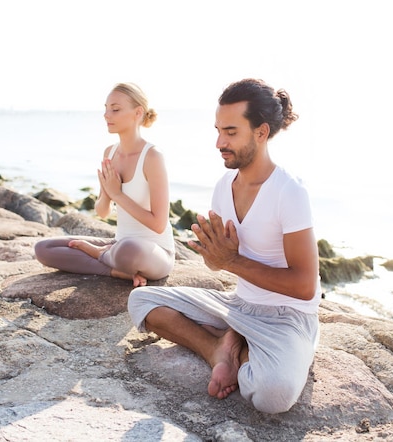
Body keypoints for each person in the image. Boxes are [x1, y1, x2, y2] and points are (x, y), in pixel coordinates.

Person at [127, 78, 322, 414]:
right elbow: (218, 262)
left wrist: (230, 262)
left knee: (273, 396)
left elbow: (305, 287)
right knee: (141, 301)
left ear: (261, 132)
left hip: (287, 317)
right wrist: (216, 258)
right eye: (218, 130)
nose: (219, 142)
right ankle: (218, 349)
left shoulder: (289, 192)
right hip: (239, 304)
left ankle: (241, 346)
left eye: (231, 132)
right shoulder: (223, 186)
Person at [35, 83, 175, 287]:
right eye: (106, 109)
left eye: (115, 109)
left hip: (153, 253)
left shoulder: (152, 156)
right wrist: (108, 194)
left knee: (129, 249)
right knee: (43, 249)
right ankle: (115, 271)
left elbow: (158, 223)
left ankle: (102, 255)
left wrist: (118, 195)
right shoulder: (110, 153)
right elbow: (102, 212)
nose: (106, 115)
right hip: (118, 246)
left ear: (138, 113)